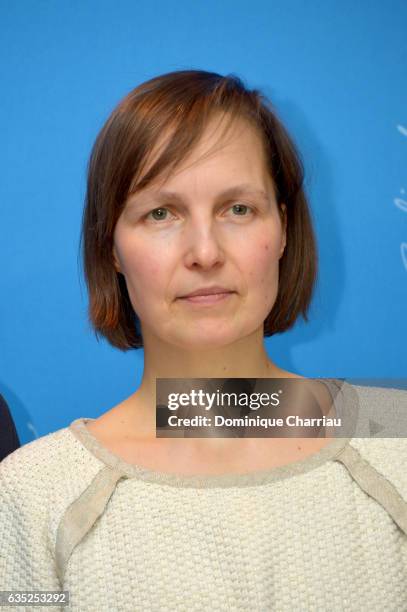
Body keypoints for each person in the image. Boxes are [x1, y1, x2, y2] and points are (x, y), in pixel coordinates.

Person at [0, 70, 406, 611]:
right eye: (160, 213)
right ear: (112, 248)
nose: (205, 252)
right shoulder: (30, 496)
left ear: (282, 228)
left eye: (238, 208)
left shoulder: (396, 445)